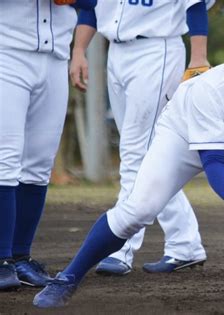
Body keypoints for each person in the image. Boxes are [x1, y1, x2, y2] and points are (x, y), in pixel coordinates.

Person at [33, 12, 224, 309]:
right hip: (183, 139)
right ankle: (68, 277)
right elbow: (213, 162)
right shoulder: (212, 89)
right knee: (138, 210)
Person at [70, 0, 215, 276]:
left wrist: (199, 57)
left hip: (156, 49)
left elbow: (194, 5)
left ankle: (121, 248)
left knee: (137, 154)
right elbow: (91, 6)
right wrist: (78, 50)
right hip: (115, 51)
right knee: (148, 155)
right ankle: (185, 244)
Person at [0, 0, 96, 291]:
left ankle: (20, 257)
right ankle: (1, 259)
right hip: (7, 52)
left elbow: (90, 3)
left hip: (54, 57)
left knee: (40, 163)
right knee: (5, 159)